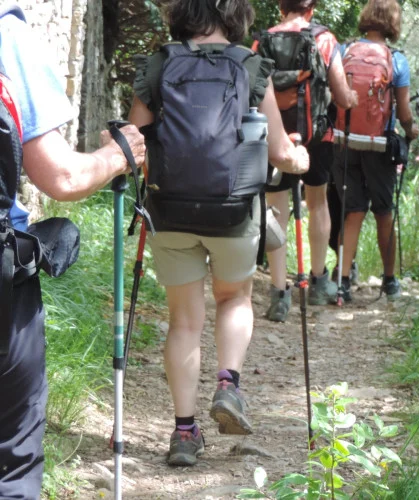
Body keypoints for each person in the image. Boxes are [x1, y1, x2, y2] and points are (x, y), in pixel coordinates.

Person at [127, 0, 309, 466]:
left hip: (170, 211)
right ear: (236, 15)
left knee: (184, 321)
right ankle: (228, 383)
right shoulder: (250, 67)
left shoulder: (160, 64)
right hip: (233, 211)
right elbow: (280, 153)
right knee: (233, 298)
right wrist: (301, 158)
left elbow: (134, 144)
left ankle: (184, 433)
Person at [0, 5, 146, 498]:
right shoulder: (6, 35)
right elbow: (62, 176)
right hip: (5, 291)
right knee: (11, 462)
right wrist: (117, 155)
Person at [258, 0, 358, 322]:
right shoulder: (325, 39)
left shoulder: (263, 40)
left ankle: (278, 293)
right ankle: (318, 282)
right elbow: (342, 97)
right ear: (311, 9)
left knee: (275, 209)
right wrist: (352, 97)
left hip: (274, 139)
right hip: (317, 137)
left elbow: (252, 91)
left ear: (280, 7)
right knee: (318, 204)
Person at [332, 0, 418, 302]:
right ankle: (390, 280)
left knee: (352, 211)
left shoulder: (344, 51)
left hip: (344, 142)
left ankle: (342, 282)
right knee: (383, 211)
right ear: (393, 23)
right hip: (379, 146)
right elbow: (404, 112)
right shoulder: (397, 60)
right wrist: (411, 130)